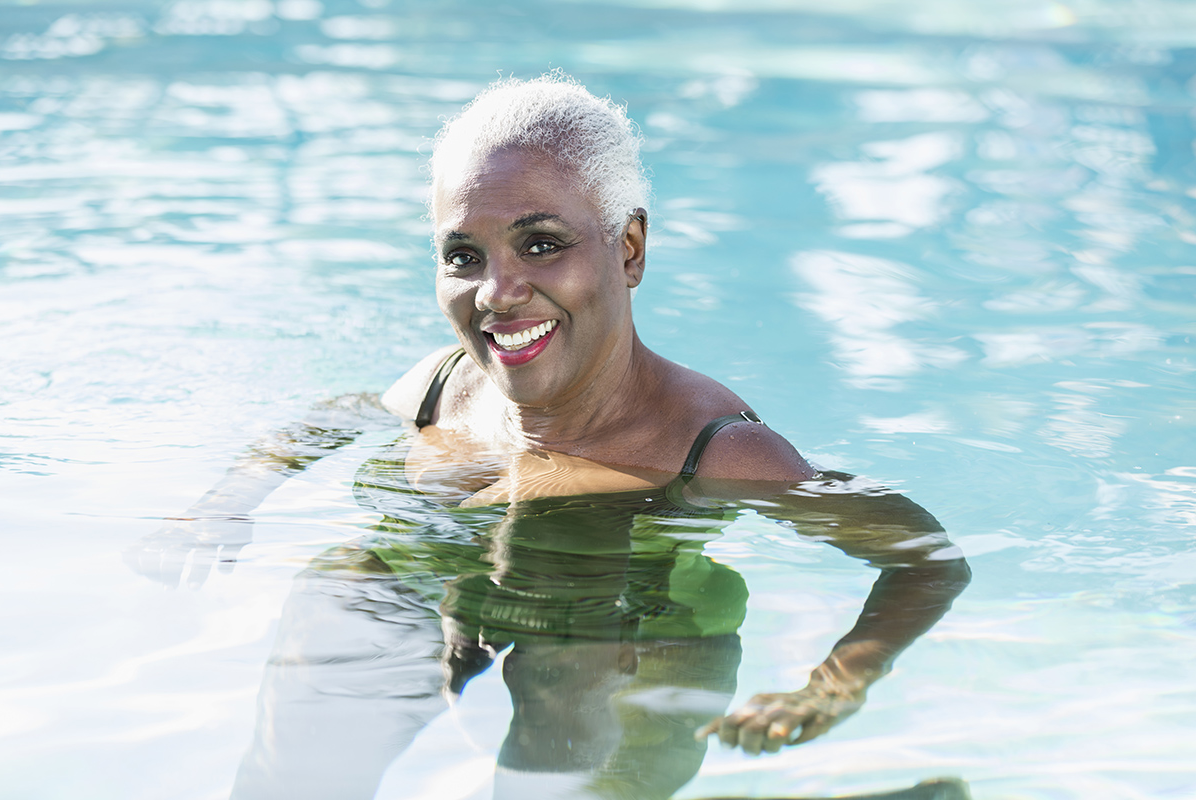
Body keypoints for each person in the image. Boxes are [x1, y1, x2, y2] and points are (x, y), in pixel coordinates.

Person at [129, 73, 970, 798]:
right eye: (463, 255)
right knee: (341, 596)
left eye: (541, 243)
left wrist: (835, 685)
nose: (499, 292)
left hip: (638, 625)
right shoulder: (444, 389)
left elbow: (927, 557)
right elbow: (337, 414)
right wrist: (225, 504)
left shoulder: (711, 450)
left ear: (629, 248)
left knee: (572, 713)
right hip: (457, 598)